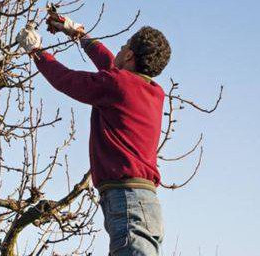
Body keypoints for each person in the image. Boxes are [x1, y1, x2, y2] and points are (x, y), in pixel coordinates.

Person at [16, 15, 171, 256]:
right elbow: (111, 66)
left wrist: (36, 51)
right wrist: (77, 33)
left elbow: (67, 80)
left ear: (130, 56)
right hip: (142, 203)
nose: (119, 48)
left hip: (128, 200)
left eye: (124, 45)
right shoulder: (152, 91)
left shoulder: (117, 85)